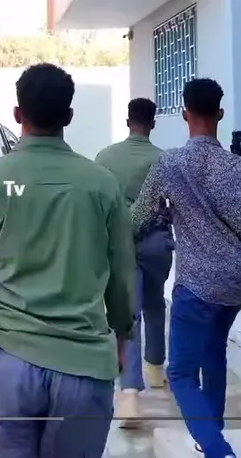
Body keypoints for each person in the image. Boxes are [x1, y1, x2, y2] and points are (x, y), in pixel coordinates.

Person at [0, 62, 137, 458]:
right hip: (84, 369)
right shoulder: (102, 184)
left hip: (7, 367)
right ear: (69, 116)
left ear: (18, 114)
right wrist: (123, 336)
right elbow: (121, 275)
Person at [132, 78, 241, 458]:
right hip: (235, 285)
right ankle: (211, 433)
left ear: (184, 114)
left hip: (196, 284)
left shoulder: (170, 163)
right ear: (220, 114)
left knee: (180, 373)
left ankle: (218, 449)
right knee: (214, 353)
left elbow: (138, 218)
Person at [94, 97, 173, 428]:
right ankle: (155, 369)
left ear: (128, 122)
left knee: (129, 313)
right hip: (156, 244)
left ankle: (129, 394)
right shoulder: (164, 159)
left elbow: (98, 203)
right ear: (152, 124)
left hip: (120, 245)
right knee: (155, 304)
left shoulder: (105, 157)